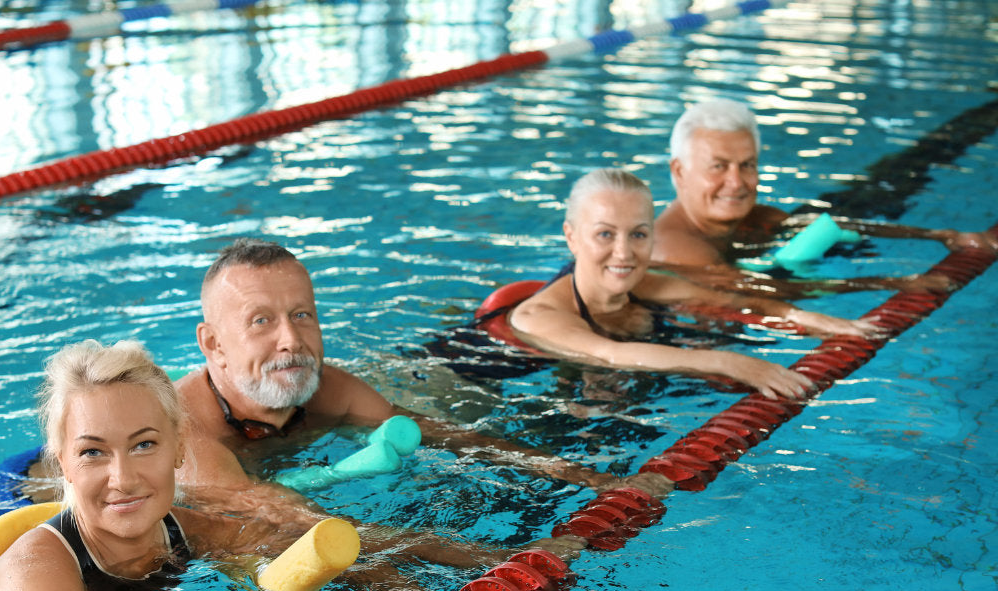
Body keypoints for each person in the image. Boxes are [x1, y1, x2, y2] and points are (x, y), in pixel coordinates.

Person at [0, 339, 365, 591]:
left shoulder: (186, 529)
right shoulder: (35, 565)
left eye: (144, 444)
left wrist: (418, 578)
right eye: (92, 452)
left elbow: (296, 545)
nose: (124, 479)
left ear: (179, 447)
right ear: (62, 462)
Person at [174, 238, 669, 534]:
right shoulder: (185, 436)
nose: (291, 340)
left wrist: (594, 480)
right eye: (260, 321)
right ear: (213, 344)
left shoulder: (329, 390)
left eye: (302, 315)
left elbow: (448, 437)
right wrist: (475, 560)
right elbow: (294, 524)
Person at [507, 168, 879, 400]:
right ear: (571, 237)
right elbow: (610, 354)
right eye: (604, 234)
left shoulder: (645, 285)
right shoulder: (541, 315)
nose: (624, 253)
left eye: (638, 235)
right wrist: (729, 363)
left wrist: (812, 320)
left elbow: (732, 301)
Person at [653, 98, 998, 296]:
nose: (737, 182)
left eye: (747, 165)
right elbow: (757, 292)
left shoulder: (753, 217)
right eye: (718, 167)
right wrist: (891, 283)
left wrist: (940, 235)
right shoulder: (676, 247)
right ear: (679, 172)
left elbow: (828, 224)